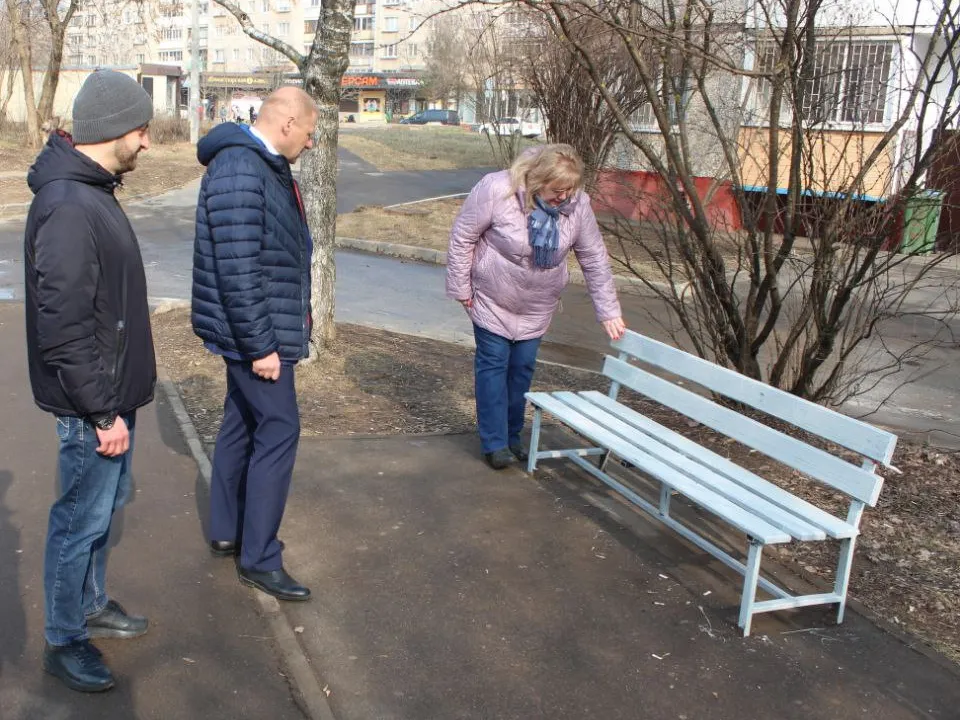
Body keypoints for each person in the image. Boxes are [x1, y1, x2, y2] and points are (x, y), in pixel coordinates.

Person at [23, 70, 156, 693]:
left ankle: (90, 603)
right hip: (91, 404)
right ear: (112, 131)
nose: (148, 143)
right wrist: (103, 414)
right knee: (79, 519)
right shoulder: (69, 204)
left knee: (104, 514)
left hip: (109, 395)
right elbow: (64, 325)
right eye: (142, 130)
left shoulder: (92, 189)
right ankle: (63, 637)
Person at [192, 86, 318, 601]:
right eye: (309, 133)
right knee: (279, 427)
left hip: (254, 327)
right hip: (256, 333)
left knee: (242, 421)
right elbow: (238, 269)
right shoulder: (243, 169)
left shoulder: (257, 164)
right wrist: (262, 346)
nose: (311, 145)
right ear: (287, 123)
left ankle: (228, 528)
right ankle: (259, 557)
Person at [446, 144, 626, 469]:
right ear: (536, 179)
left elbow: (594, 258)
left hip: (537, 306)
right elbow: (463, 236)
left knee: (521, 371)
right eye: (557, 190)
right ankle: (495, 442)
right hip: (492, 297)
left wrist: (608, 310)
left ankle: (513, 435)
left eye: (570, 190)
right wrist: (461, 286)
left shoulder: (577, 206)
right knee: (493, 365)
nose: (564, 198)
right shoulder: (497, 189)